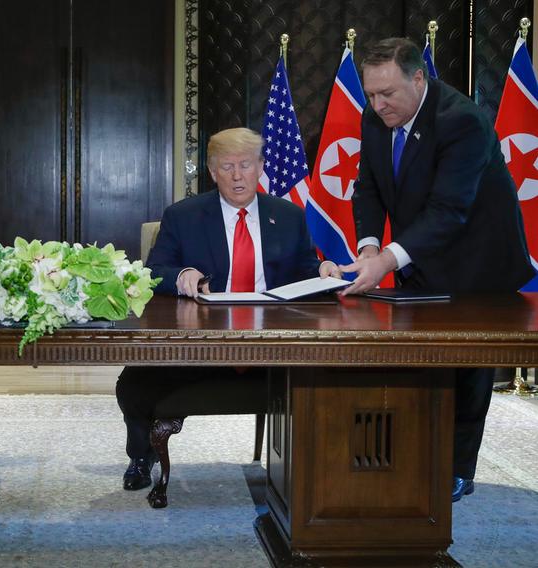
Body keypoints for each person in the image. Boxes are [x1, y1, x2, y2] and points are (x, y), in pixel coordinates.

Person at [340, 37, 534, 502]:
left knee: (466, 367)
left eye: (388, 93)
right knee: (415, 360)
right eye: (370, 94)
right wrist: (369, 247)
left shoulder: (461, 119)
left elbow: (450, 210)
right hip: (418, 252)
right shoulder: (375, 116)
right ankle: (406, 455)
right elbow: (367, 185)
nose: (378, 104)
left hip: (478, 259)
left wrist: (389, 258)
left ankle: (456, 470)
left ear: (419, 77)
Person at [116, 127, 341, 490]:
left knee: (338, 374)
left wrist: (322, 269)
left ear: (261, 167)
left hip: (274, 343)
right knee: (134, 381)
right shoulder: (183, 216)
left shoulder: (287, 215)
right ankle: (142, 456)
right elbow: (153, 272)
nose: (237, 176)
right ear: (212, 171)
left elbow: (303, 266)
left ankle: (323, 465)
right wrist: (183, 274)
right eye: (227, 167)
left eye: (246, 165)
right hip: (205, 341)